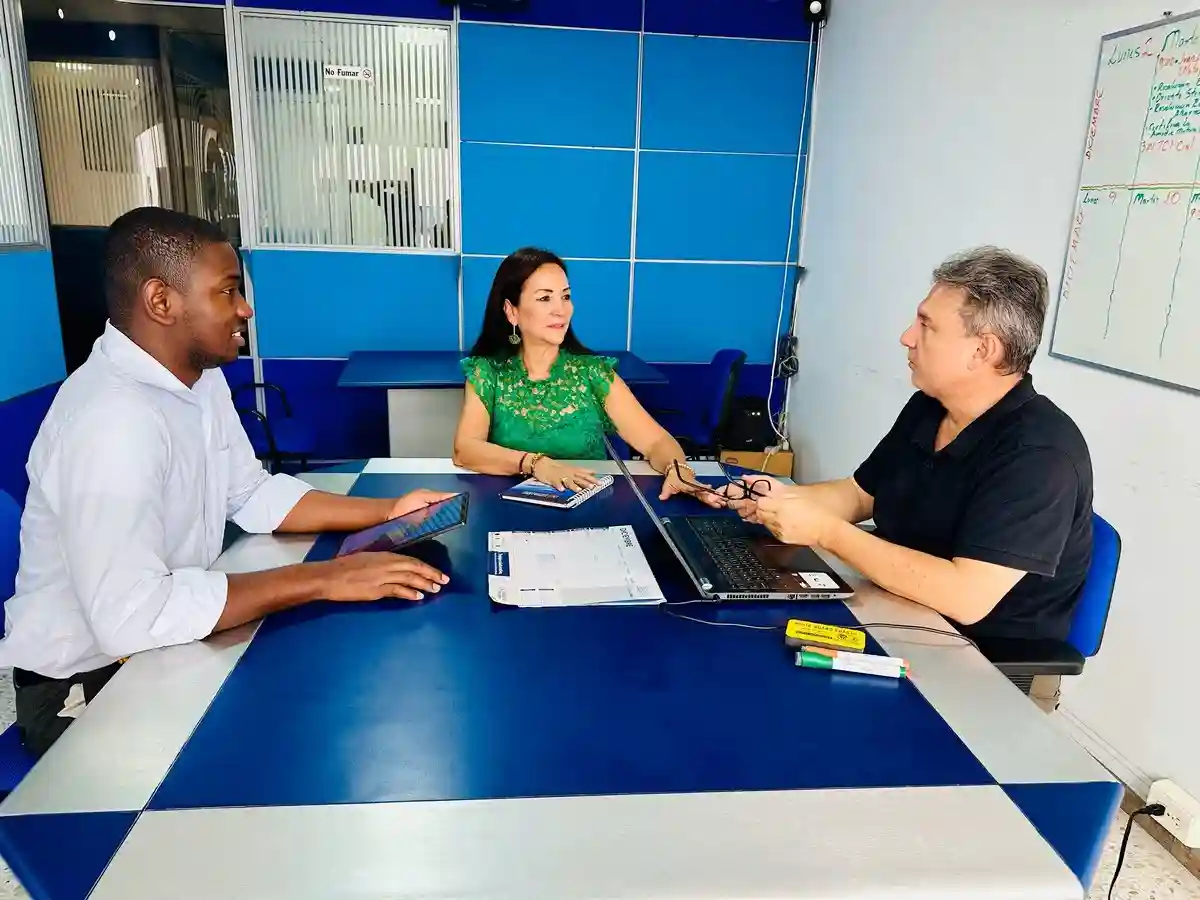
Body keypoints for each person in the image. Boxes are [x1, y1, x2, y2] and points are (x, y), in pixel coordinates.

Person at [1, 207, 454, 756]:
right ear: (161, 301)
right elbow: (133, 616)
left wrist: (388, 511)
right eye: (228, 291)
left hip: (156, 645)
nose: (245, 308)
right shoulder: (111, 421)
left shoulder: (198, 379)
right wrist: (324, 578)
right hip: (87, 680)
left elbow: (250, 492)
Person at [728, 247, 1093, 713]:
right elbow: (860, 494)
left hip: (977, 663)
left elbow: (965, 597)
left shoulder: (1040, 456)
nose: (906, 337)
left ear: (982, 350)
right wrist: (778, 500)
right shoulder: (931, 406)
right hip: (895, 610)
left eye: (926, 325)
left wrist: (824, 531)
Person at [453, 247, 724, 506]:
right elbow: (465, 449)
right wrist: (536, 464)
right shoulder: (487, 372)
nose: (561, 310)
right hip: (506, 509)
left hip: (589, 508)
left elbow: (657, 442)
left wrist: (679, 471)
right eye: (545, 298)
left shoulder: (593, 372)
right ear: (512, 311)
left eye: (566, 296)